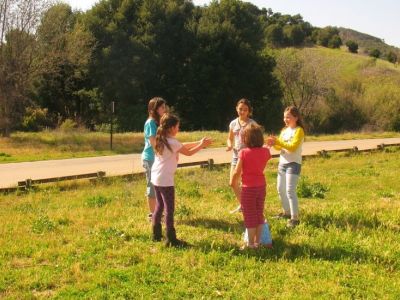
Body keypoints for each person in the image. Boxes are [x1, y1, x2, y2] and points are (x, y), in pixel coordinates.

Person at [151, 113, 212, 247]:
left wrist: (199, 142)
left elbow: (182, 145)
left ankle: (155, 234)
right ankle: (171, 239)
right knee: (169, 209)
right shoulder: (172, 142)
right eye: (178, 126)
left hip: (156, 177)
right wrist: (202, 145)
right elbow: (188, 152)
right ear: (172, 128)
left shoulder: (162, 139)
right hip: (165, 180)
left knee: (159, 206)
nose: (178, 129)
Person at [230, 123, 271, 249]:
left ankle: (251, 244)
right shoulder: (265, 151)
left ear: (245, 139)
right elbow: (264, 153)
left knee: (249, 216)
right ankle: (258, 242)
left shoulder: (243, 153)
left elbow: (237, 171)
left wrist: (233, 181)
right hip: (261, 187)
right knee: (259, 214)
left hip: (248, 188)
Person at [267, 106, 305, 228]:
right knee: (280, 189)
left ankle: (295, 218)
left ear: (296, 117)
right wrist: (274, 144)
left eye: (288, 117)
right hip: (282, 163)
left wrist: (278, 142)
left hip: (293, 164)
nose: (285, 119)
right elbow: (280, 148)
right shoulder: (284, 131)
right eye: (284, 117)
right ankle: (286, 212)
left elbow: (293, 147)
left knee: (290, 190)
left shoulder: (299, 131)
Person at [226, 98, 256, 213]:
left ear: (249, 111)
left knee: (246, 184)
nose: (242, 111)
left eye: (245, 110)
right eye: (240, 109)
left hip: (248, 157)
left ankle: (247, 207)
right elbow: (230, 138)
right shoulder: (233, 123)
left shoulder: (252, 124)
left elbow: (257, 142)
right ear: (236, 109)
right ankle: (243, 205)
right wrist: (229, 145)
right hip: (235, 156)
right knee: (233, 183)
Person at [141, 97, 167, 221]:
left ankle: (158, 213)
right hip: (151, 158)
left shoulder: (159, 122)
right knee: (151, 186)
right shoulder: (151, 122)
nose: (165, 109)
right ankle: (153, 215)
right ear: (155, 109)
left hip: (158, 158)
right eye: (162, 107)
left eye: (164, 106)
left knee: (159, 185)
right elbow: (153, 142)